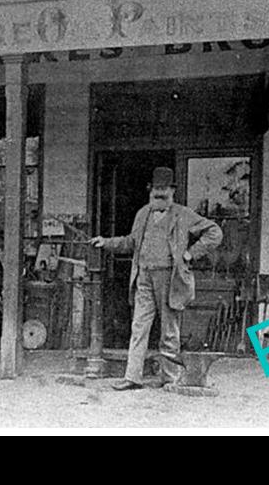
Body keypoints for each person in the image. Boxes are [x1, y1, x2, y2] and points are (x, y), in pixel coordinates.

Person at [90, 167, 223, 390]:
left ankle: (170, 378)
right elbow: (131, 242)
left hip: (170, 278)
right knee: (139, 326)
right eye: (156, 191)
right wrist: (106, 242)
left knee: (169, 329)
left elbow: (215, 232)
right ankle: (132, 377)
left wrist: (190, 254)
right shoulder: (143, 213)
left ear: (172, 191)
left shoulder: (184, 214)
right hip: (143, 276)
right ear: (150, 191)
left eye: (164, 191)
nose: (159, 195)